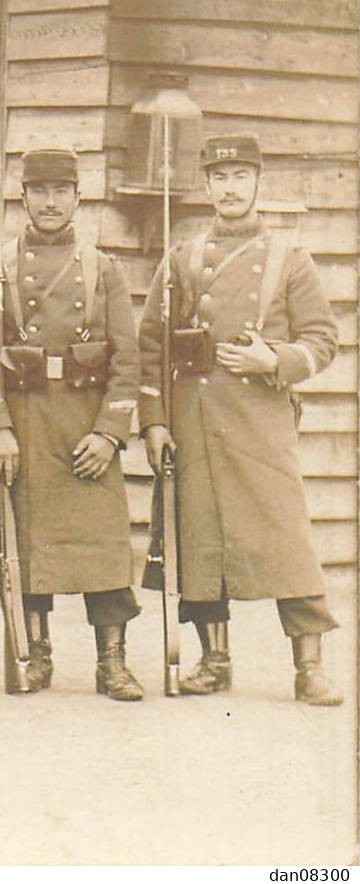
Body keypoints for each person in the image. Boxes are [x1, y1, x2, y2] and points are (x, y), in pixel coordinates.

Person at [138, 134, 342, 706]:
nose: (230, 189)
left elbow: (322, 340)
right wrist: (154, 422)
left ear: (259, 183)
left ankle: (309, 668)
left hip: (259, 422)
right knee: (199, 537)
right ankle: (213, 659)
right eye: (219, 179)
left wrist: (271, 358)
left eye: (240, 178)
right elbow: (150, 345)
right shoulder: (180, 259)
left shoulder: (288, 258)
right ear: (206, 187)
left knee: (286, 539)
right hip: (195, 419)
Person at [0, 149, 143, 700]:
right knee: (23, 544)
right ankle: (35, 654)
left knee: (103, 549)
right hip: (25, 427)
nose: (51, 202)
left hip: (85, 429)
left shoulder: (103, 269)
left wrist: (110, 433)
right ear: (23, 198)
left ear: (78, 199)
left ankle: (112, 663)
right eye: (40, 191)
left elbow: (127, 361)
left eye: (62, 191)